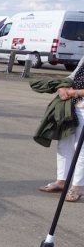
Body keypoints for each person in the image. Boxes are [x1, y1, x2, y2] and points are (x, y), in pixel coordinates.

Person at [38, 56, 84, 202]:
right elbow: (74, 75)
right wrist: (62, 86)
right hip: (72, 105)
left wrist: (76, 92)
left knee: (81, 148)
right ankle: (61, 181)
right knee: (64, 141)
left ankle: (77, 187)